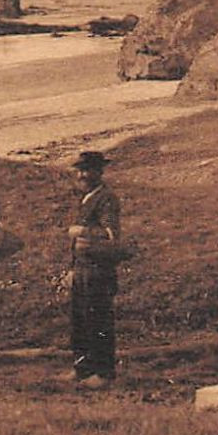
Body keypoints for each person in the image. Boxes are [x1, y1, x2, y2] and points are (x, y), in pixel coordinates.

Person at [67, 150, 122, 389]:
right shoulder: (86, 198)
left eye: (87, 170)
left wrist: (83, 232)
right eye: (79, 170)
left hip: (99, 269)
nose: (82, 175)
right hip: (82, 268)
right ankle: (82, 369)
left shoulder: (107, 198)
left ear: (99, 172)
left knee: (98, 320)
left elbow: (111, 235)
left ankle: (103, 372)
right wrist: (71, 269)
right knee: (80, 320)